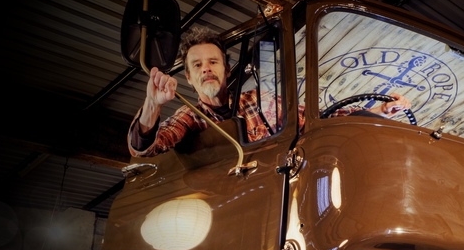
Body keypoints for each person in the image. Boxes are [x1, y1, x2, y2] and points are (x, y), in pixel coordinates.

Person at [128, 25, 412, 157]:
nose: (207, 69)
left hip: (277, 189)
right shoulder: (189, 116)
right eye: (198, 65)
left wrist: (378, 111)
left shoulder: (258, 101)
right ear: (189, 77)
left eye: (213, 62)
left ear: (227, 70)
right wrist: (152, 105)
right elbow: (149, 147)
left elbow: (315, 117)